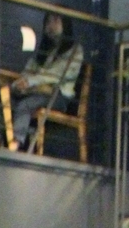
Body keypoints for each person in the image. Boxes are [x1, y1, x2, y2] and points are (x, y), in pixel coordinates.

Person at [9, 12, 83, 152]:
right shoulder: (46, 51)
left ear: (65, 24)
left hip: (58, 97)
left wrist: (30, 82)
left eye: (55, 20)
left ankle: (15, 143)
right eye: (48, 21)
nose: (50, 25)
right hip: (37, 92)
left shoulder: (74, 50)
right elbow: (29, 70)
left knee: (26, 104)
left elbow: (54, 75)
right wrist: (20, 84)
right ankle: (2, 139)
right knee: (6, 98)